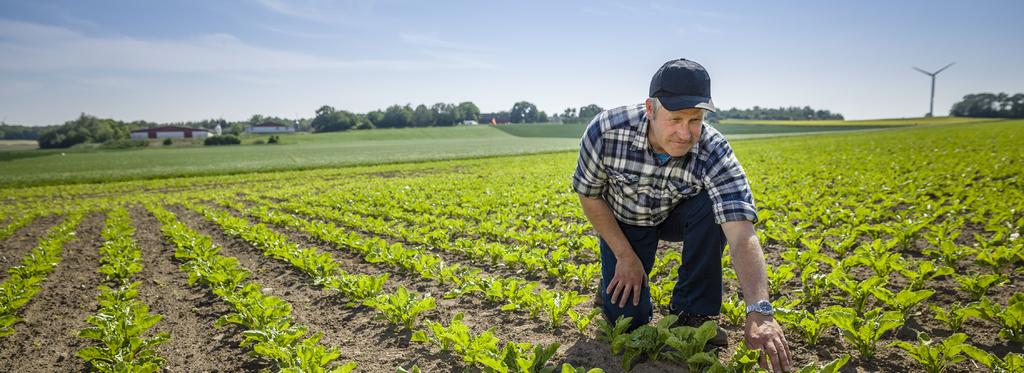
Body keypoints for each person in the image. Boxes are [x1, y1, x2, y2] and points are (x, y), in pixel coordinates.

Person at [573, 58, 792, 372]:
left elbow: (741, 232)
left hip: (677, 215)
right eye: (675, 119)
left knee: (714, 207)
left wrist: (760, 311)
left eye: (695, 120)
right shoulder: (606, 132)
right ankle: (610, 281)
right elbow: (589, 195)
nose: (685, 133)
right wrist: (624, 255)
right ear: (651, 109)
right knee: (627, 322)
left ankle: (693, 313)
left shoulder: (714, 150)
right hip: (626, 219)